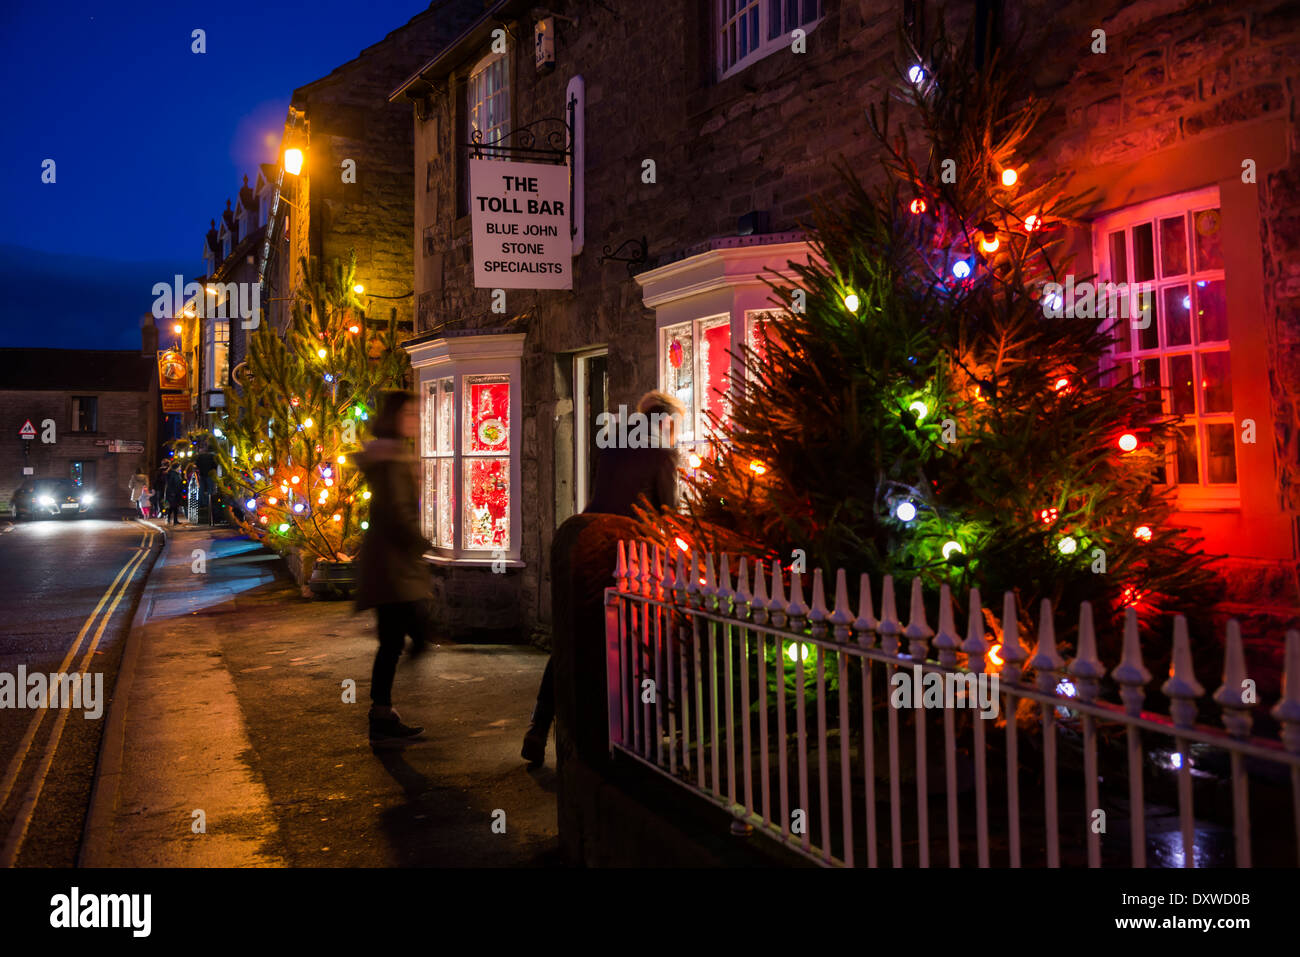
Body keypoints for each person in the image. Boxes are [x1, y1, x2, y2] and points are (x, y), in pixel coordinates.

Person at [521, 389, 684, 767]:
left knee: (571, 634)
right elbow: (667, 511)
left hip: (589, 538)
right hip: (627, 551)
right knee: (630, 639)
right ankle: (627, 731)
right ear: (666, 422)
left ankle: (539, 724)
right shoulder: (662, 453)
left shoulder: (613, 442)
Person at [354, 390, 435, 745]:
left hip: (391, 562)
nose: (415, 420)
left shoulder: (389, 458)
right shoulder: (391, 462)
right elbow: (396, 512)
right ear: (394, 417)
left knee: (392, 639)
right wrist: (419, 542)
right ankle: (381, 714)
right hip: (394, 565)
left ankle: (381, 712)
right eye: (410, 414)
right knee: (399, 638)